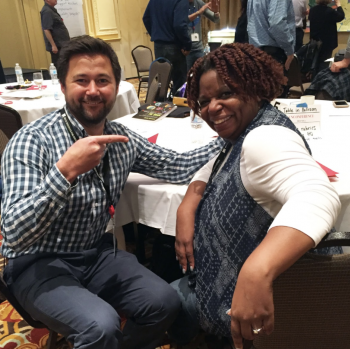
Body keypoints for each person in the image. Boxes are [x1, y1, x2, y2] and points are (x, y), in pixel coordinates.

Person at [0, 35, 224, 349]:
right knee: (100, 326)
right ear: (63, 87)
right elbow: (12, 235)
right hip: (37, 263)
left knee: (166, 303)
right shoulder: (31, 141)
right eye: (81, 80)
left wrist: (230, 135)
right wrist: (64, 173)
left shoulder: (120, 139)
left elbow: (178, 166)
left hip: (97, 254)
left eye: (102, 80)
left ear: (116, 87)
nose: (93, 90)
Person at [167, 43, 341, 349]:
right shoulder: (248, 129)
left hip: (259, 320)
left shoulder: (264, 138)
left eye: (225, 94)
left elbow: (316, 194)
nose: (212, 108)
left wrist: (257, 268)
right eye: (204, 100)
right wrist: (189, 201)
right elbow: (215, 162)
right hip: (225, 291)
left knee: (163, 302)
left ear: (254, 87)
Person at [143, 0, 191, 97]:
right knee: (179, 87)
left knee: (160, 86)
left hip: (158, 46)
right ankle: (177, 111)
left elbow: (146, 18)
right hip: (174, 47)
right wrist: (187, 44)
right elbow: (179, 25)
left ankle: (159, 110)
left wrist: (156, 34)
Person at [309, 0, 344, 73]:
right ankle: (322, 82)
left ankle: (315, 81)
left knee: (315, 63)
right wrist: (338, 4)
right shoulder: (329, 11)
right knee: (324, 63)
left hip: (314, 41)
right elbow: (341, 16)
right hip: (327, 43)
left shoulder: (312, 10)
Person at [186, 0, 220, 71]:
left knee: (202, 74)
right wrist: (198, 13)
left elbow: (216, 19)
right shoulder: (180, 3)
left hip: (199, 49)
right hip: (186, 50)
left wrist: (216, 12)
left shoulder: (198, 3)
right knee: (186, 79)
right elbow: (182, 21)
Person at [40, 0, 70, 65]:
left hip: (62, 44)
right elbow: (46, 29)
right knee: (58, 65)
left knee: (63, 64)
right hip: (57, 45)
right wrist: (53, 45)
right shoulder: (47, 11)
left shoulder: (52, 10)